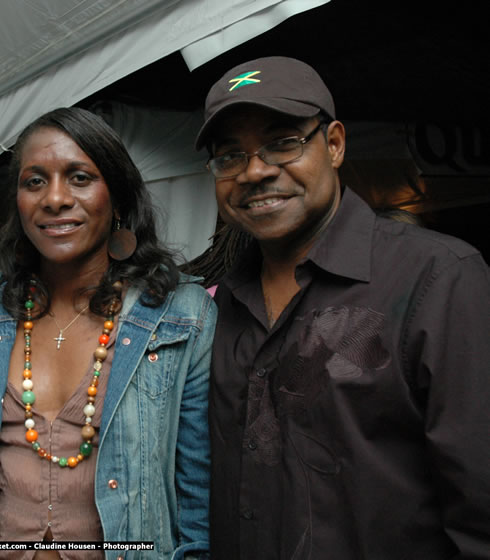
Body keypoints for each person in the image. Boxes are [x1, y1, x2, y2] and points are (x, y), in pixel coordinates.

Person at [194, 55, 490, 559]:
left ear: (333, 144)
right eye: (230, 156)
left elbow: (479, 501)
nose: (255, 171)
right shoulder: (212, 305)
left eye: (282, 143)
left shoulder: (437, 277)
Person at [0, 107, 213, 558]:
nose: (54, 198)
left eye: (79, 177)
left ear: (117, 197)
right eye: (34, 181)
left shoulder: (180, 316)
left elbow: (197, 493)